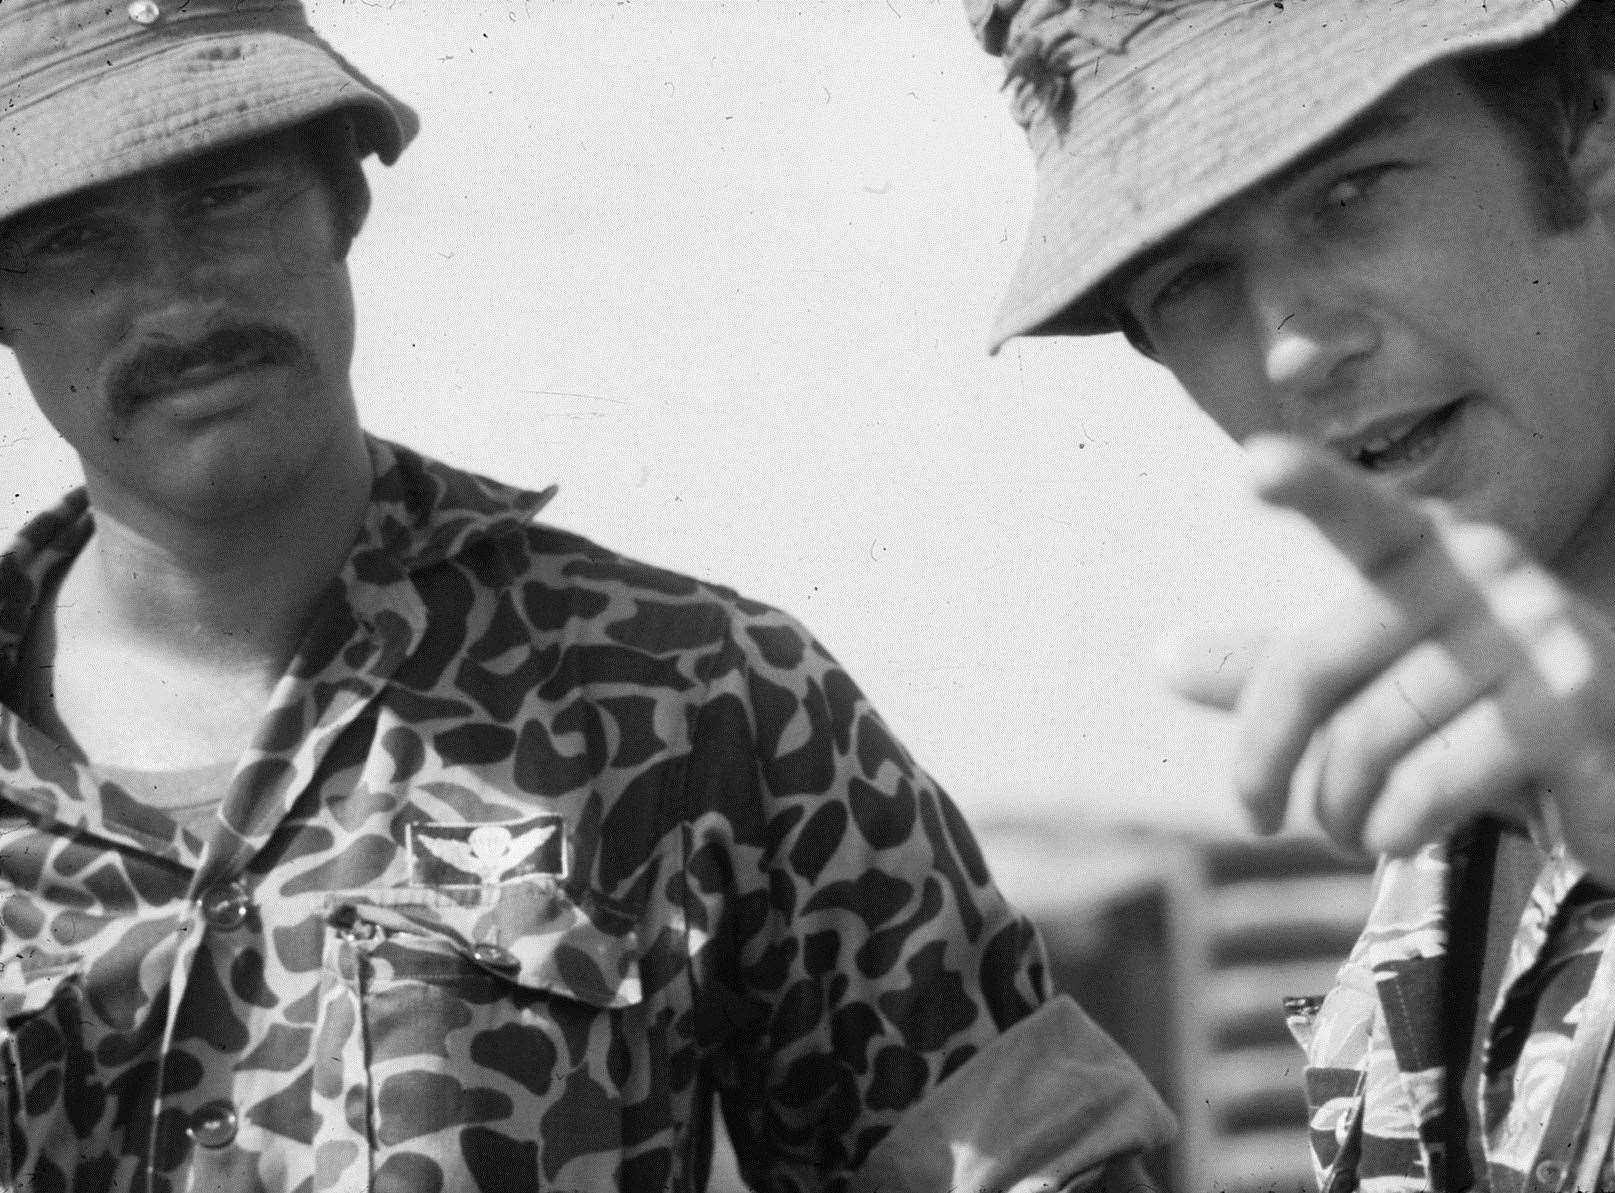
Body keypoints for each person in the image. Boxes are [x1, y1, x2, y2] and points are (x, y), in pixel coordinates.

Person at [0, 1, 1175, 1190]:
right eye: (72, 239)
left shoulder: (700, 701)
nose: (177, 299)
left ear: (343, 198)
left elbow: (1031, 1164)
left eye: (225, 194)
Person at [967, 0, 1615, 1189]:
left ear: (1585, 118)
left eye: (1351, 195)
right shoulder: (1438, 806)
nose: (1295, 346)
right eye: (1192, 279)